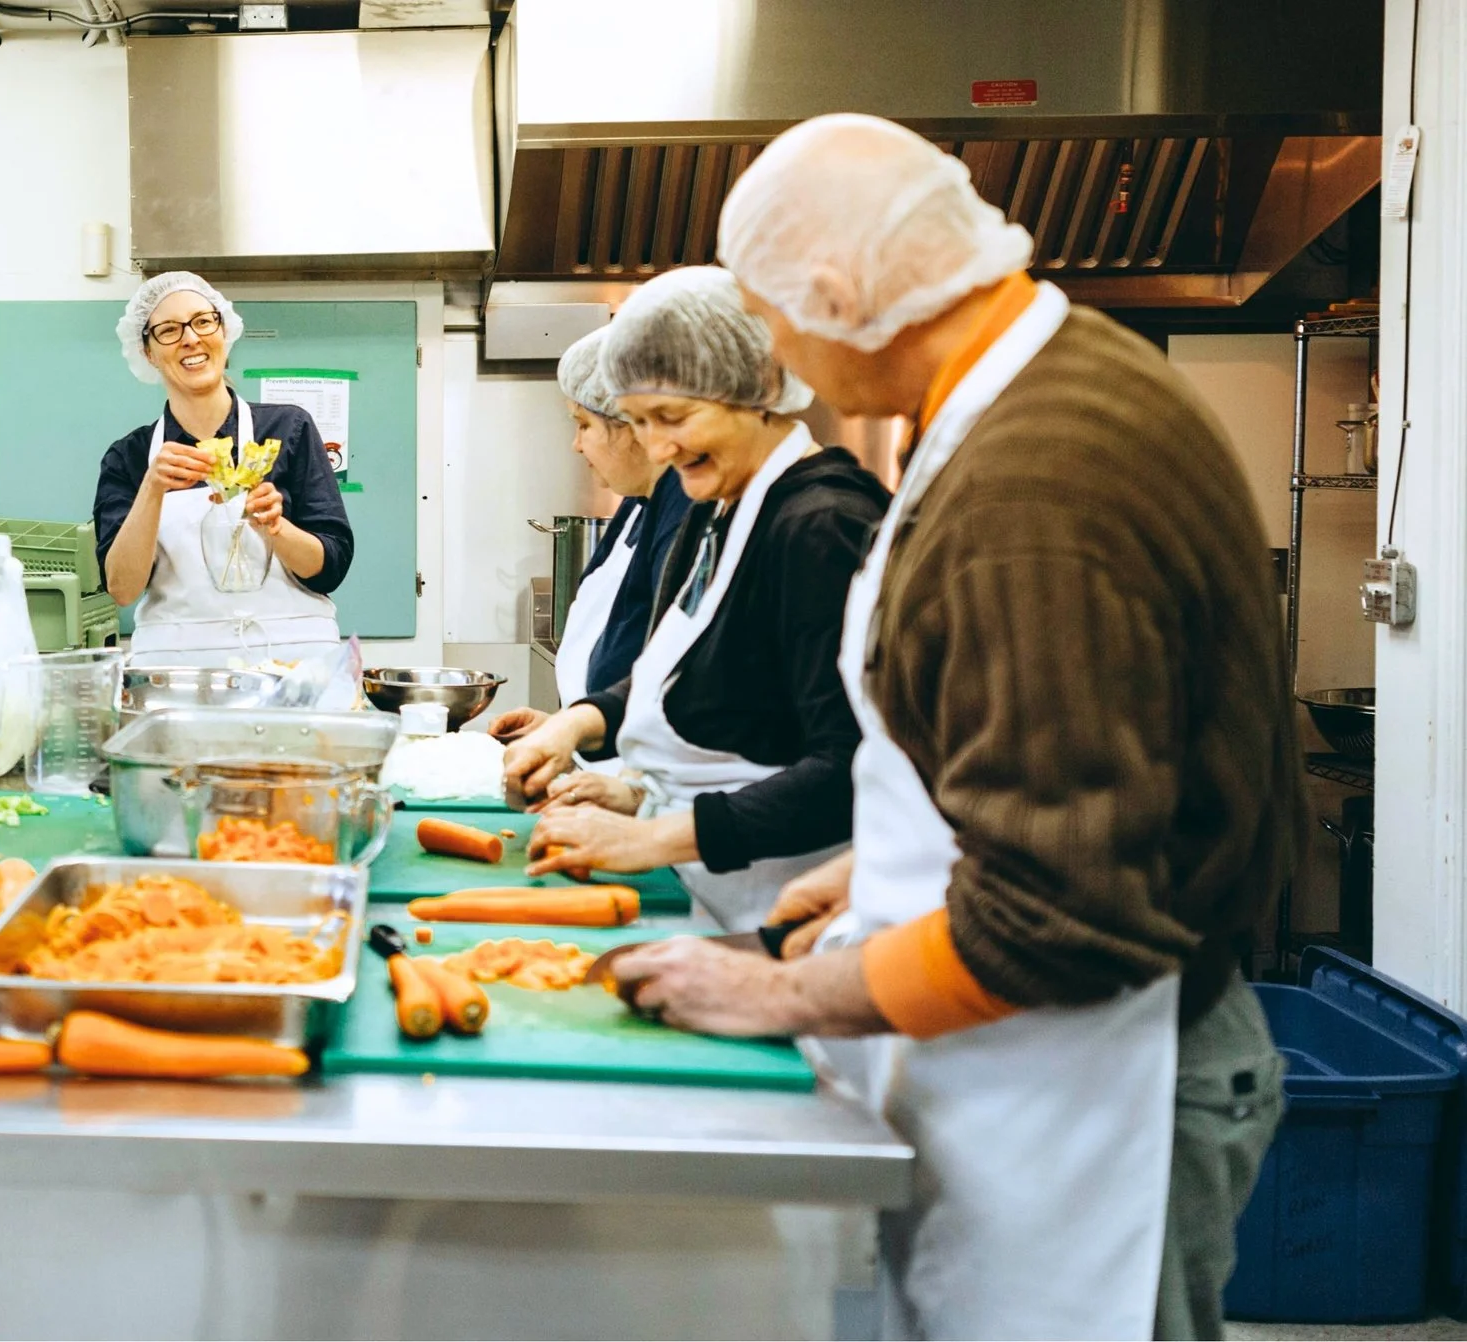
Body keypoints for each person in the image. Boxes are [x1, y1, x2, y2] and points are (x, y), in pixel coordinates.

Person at [600, 114, 1299, 1340]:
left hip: (1112, 1078)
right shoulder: (1021, 393)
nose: (770, 352)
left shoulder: (1040, 474)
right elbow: (1070, 742)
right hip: (1026, 1056)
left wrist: (780, 995)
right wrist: (878, 864)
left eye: (767, 318)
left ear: (833, 289)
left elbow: (1062, 909)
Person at [501, 267, 886, 933]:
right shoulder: (726, 506)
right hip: (712, 894)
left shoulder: (820, 526)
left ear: (754, 390)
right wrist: (613, 764)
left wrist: (654, 838)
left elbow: (848, 770)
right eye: (641, 422)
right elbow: (704, 679)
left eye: (673, 418)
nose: (658, 446)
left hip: (787, 910)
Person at [94, 271, 356, 668]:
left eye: (203, 321)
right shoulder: (130, 457)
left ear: (224, 331)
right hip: (177, 669)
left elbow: (330, 569)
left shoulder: (289, 429)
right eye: (168, 330)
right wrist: (152, 489)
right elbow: (122, 589)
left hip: (292, 664)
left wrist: (276, 527)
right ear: (148, 351)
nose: (191, 338)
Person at [486, 326, 693, 767]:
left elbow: (681, 679)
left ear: (635, 425)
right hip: (603, 766)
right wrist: (563, 725)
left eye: (583, 425)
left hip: (639, 781)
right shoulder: (639, 503)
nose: (576, 444)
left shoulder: (685, 511)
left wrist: (581, 734)